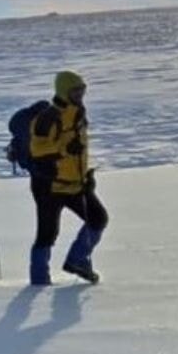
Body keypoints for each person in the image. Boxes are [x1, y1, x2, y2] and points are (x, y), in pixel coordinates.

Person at [28, 71, 108, 285]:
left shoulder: (79, 114)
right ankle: (39, 282)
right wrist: (64, 147)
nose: (80, 94)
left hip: (75, 184)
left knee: (98, 219)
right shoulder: (48, 117)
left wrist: (85, 175)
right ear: (63, 91)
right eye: (75, 90)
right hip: (49, 186)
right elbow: (38, 150)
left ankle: (77, 260)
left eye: (82, 89)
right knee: (47, 235)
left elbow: (78, 151)